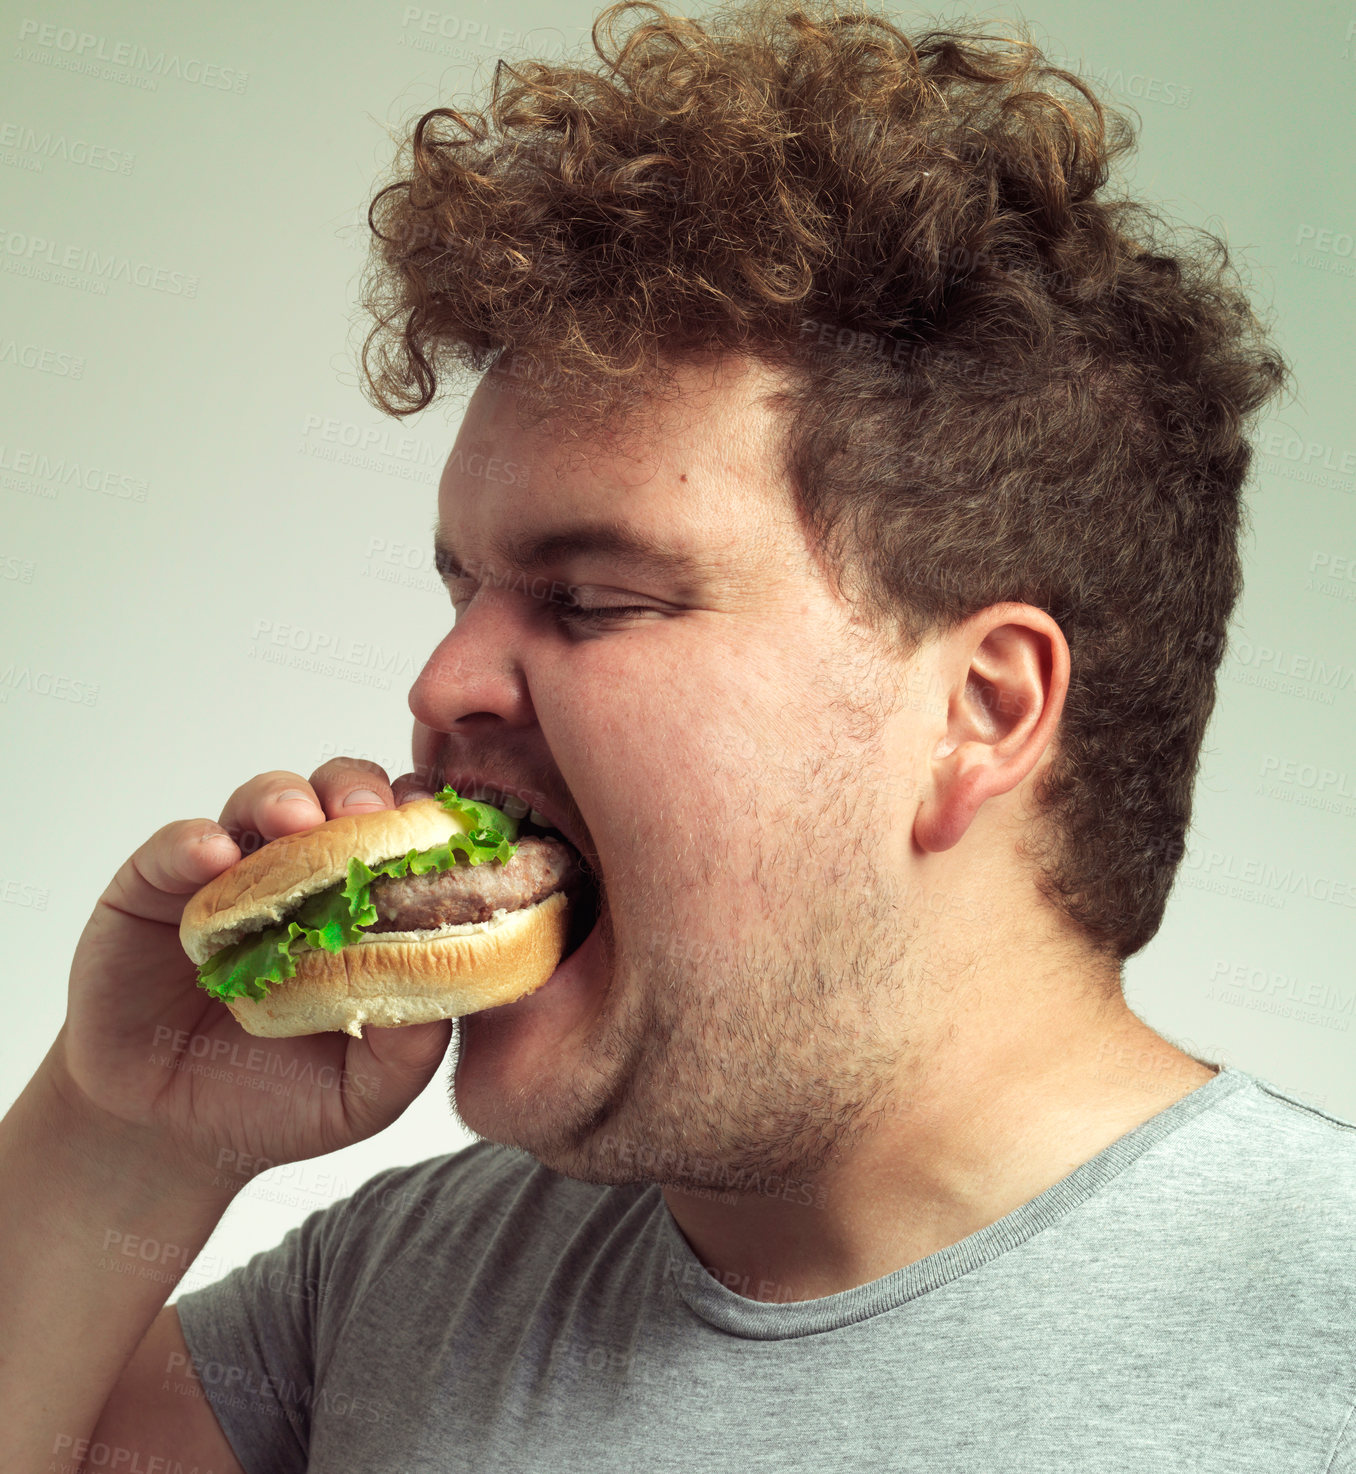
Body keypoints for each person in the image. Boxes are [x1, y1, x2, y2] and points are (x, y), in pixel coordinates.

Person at [4, 1, 1351, 1470]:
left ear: (981, 713)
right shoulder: (396, 1292)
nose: (442, 679)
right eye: (461, 588)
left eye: (592, 599)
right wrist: (119, 1126)